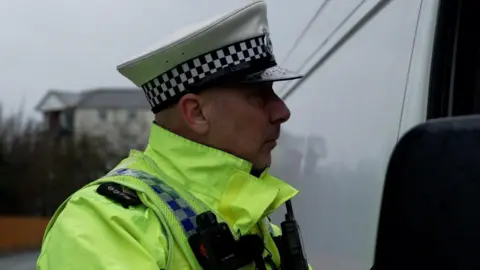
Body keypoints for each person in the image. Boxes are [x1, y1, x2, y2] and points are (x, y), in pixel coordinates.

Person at [37, 1, 309, 269]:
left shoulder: (260, 227)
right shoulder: (103, 226)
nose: (282, 111)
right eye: (259, 95)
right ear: (196, 113)